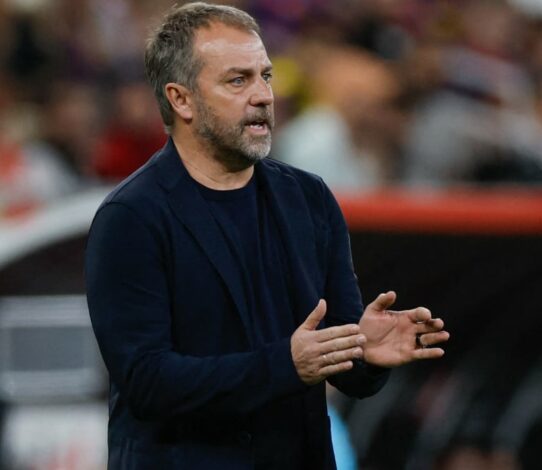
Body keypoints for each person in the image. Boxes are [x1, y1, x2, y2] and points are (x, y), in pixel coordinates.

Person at [84, 3, 449, 469]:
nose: (262, 95)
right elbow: (147, 380)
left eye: (266, 76)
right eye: (238, 81)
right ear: (181, 100)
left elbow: (335, 357)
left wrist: (365, 352)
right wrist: (285, 366)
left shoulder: (309, 199)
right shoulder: (131, 217)